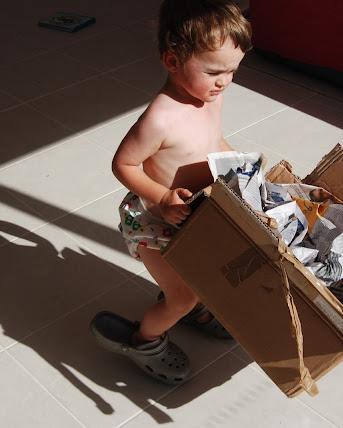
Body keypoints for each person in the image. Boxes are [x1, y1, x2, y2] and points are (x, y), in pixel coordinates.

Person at [91, 0, 252, 385]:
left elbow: (211, 140)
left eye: (232, 70)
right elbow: (124, 164)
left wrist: (237, 165)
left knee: (205, 273)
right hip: (155, 222)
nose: (224, 81)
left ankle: (193, 310)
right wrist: (163, 199)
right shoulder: (160, 118)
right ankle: (143, 340)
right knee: (182, 296)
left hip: (192, 215)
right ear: (172, 61)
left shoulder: (211, 97)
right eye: (213, 71)